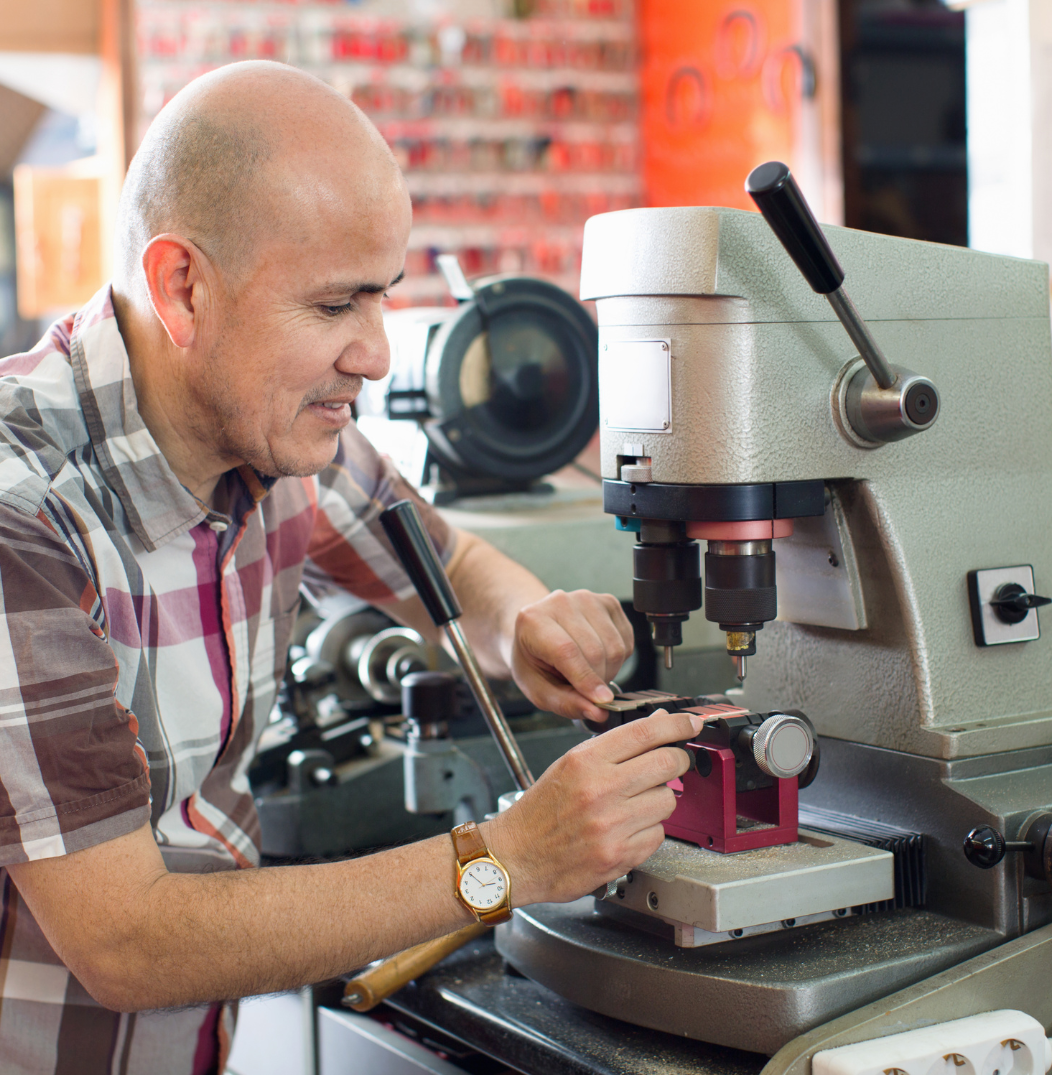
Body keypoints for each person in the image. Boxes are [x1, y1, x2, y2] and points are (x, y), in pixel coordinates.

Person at [0, 61, 700, 1074]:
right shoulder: (25, 513)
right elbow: (126, 940)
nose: (374, 352)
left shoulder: (277, 430)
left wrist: (522, 626)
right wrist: (509, 861)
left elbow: (443, 557)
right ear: (182, 286)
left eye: (382, 297)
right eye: (335, 306)